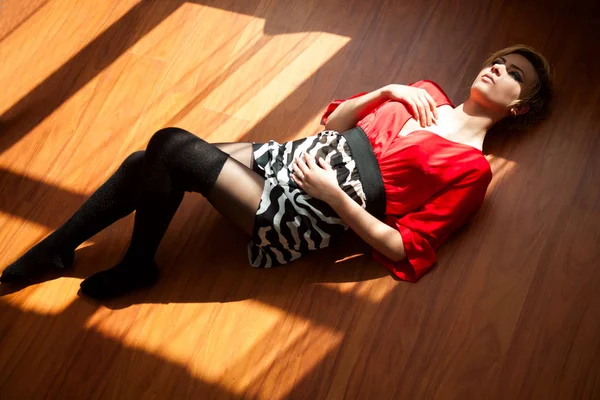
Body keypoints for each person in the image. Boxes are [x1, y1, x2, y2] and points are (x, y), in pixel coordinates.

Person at [0, 44, 554, 300]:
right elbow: (335, 119)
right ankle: (64, 249)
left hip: (314, 208)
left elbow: (405, 246)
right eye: (500, 59)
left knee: (169, 146)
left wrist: (335, 196)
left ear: (519, 106)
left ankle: (129, 262)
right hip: (289, 156)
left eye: (515, 74)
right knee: (147, 163)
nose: (499, 66)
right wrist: (387, 90)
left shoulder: (472, 171)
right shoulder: (423, 94)